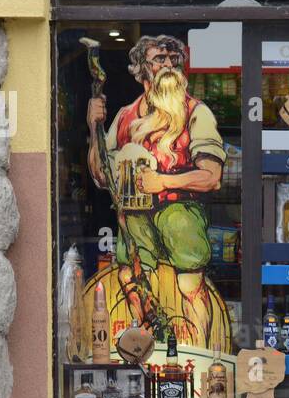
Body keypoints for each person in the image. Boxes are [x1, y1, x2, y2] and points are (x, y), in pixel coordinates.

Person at [87, 35, 232, 351]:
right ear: (141, 70)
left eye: (174, 60)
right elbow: (102, 176)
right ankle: (153, 343)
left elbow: (212, 177)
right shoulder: (126, 116)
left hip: (179, 211)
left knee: (190, 282)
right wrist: (93, 128)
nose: (168, 65)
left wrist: (164, 182)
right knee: (129, 276)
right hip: (135, 214)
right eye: (159, 60)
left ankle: (198, 353)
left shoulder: (196, 113)